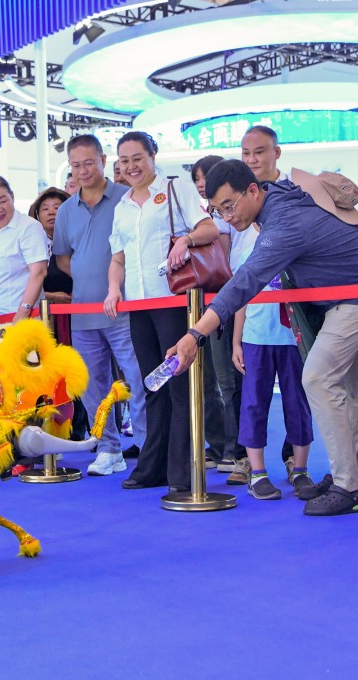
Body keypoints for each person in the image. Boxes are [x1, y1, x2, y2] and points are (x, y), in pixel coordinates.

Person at [170, 160, 358, 515]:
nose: (226, 216)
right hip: (354, 290)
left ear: (253, 191)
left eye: (229, 205)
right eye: (217, 210)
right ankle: (348, 480)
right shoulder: (278, 196)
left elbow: (245, 282)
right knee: (350, 390)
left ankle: (347, 485)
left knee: (318, 378)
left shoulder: (283, 222)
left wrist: (195, 333)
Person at [104, 130, 220, 491]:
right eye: (124, 160)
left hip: (173, 301)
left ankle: (181, 471)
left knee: (179, 385)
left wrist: (185, 239)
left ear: (153, 156)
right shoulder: (122, 205)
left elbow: (209, 228)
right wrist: (112, 289)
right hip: (138, 305)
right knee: (152, 384)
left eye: (137, 158)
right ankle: (152, 466)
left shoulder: (174, 186)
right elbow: (118, 257)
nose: (131, 166)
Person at [54, 134, 147, 476]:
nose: (82, 171)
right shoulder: (65, 210)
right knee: (93, 387)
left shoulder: (127, 197)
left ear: (104, 160)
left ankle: (148, 446)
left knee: (137, 379)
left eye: (88, 162)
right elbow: (64, 259)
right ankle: (108, 449)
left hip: (124, 311)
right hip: (83, 314)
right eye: (76, 165)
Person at [230, 217, 314, 501]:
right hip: (256, 338)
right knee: (253, 403)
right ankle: (257, 473)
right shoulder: (247, 253)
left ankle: (300, 469)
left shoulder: (299, 249)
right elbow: (239, 298)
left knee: (298, 404)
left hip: (294, 339)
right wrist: (236, 341)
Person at [191, 153, 244, 477]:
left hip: (227, 303)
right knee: (206, 378)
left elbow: (224, 264)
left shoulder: (227, 217)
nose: (202, 183)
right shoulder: (195, 215)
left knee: (227, 380)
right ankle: (215, 443)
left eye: (206, 176)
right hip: (199, 303)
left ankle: (234, 447)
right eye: (198, 177)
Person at [0, 175, 49, 330]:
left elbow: (38, 272)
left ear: (12, 196)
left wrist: (23, 312)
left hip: (20, 322)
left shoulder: (28, 227)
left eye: (3, 201)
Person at [30, 187, 73, 344]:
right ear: (37, 215)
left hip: (78, 311)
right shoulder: (32, 246)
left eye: (57, 208)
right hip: (44, 313)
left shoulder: (77, 241)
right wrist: (51, 297)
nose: (51, 212)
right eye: (45, 209)